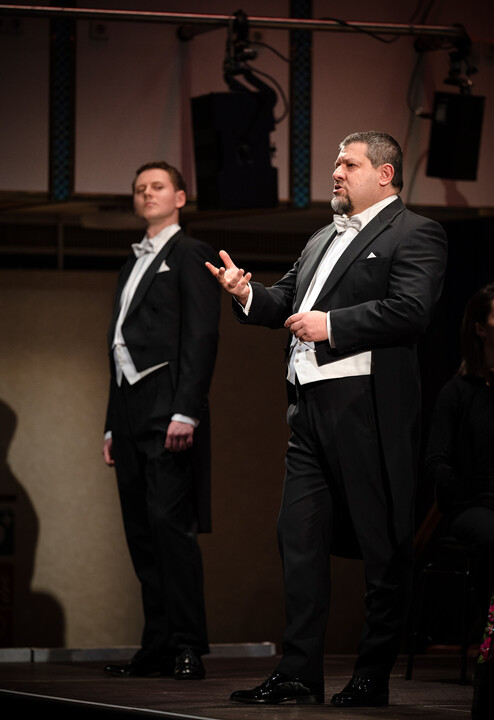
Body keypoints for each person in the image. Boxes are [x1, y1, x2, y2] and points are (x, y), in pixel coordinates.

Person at [206, 131, 447, 707]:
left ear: (384, 174)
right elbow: (285, 301)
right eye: (336, 163)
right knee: (299, 537)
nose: (336, 172)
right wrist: (245, 293)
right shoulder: (322, 237)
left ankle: (372, 676)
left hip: (367, 408)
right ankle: (298, 672)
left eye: (349, 164)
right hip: (309, 409)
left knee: (383, 548)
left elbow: (411, 310)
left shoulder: (416, 232)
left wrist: (332, 325)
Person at [102, 161, 221, 680]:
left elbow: (202, 334)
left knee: (171, 530)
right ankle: (157, 644)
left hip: (169, 410)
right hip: (130, 415)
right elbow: (117, 347)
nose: (146, 194)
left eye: (157, 186)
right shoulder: (130, 264)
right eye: (139, 189)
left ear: (180, 197)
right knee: (141, 533)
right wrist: (111, 423)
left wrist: (186, 409)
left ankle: (188, 644)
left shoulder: (189, 253)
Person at [426, 283, 494, 615]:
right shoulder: (457, 392)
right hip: (472, 506)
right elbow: (436, 461)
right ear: (480, 329)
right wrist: (467, 489)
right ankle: (487, 634)